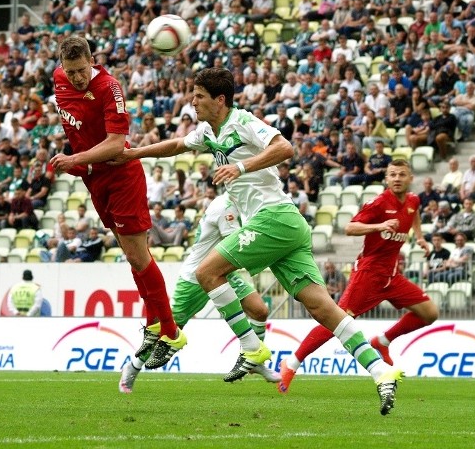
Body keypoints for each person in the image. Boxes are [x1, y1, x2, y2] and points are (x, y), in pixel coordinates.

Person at [111, 67, 402, 415]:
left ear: (220, 100)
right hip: (287, 227)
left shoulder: (244, 121)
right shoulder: (207, 131)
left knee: (207, 273)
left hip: (274, 218)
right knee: (323, 308)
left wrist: (242, 167)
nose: (193, 101)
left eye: (199, 96)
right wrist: (133, 154)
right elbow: (176, 145)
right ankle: (381, 370)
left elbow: (285, 147)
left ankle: (252, 348)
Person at [50, 36, 185, 370]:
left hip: (122, 176)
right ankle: (155, 325)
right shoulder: (59, 79)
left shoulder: (110, 87)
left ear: (92, 60)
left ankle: (170, 332)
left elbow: (115, 144)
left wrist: (76, 158)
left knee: (139, 256)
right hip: (95, 179)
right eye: (71, 72)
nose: (77, 78)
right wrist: (81, 165)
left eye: (82, 70)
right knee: (132, 257)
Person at [276, 160, 438, 405]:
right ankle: (291, 363)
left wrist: (421, 238)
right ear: (386, 178)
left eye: (401, 174)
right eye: (392, 174)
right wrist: (379, 225)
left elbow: (413, 216)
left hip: (392, 275)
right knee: (337, 319)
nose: (396, 178)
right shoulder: (379, 203)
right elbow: (350, 227)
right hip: (369, 273)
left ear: (409, 178)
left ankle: (382, 341)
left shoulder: (413, 201)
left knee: (430, 313)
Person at [119, 193, 281, 393]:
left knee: (259, 311)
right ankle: (132, 368)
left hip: (222, 272)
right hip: (195, 277)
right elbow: (238, 243)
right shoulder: (227, 207)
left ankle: (254, 357)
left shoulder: (237, 203)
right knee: (169, 331)